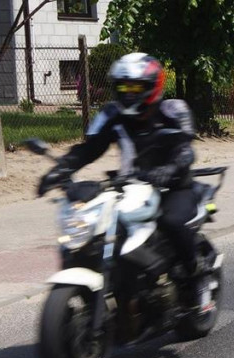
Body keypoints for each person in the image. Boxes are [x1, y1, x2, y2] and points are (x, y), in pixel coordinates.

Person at [37, 53, 206, 307]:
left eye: (135, 87)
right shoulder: (111, 114)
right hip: (131, 187)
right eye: (123, 87)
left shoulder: (173, 111)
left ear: (152, 86)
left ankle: (195, 275)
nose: (128, 93)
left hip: (174, 187)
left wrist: (169, 169)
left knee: (172, 222)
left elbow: (185, 150)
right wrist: (61, 169)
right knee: (95, 229)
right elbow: (89, 149)